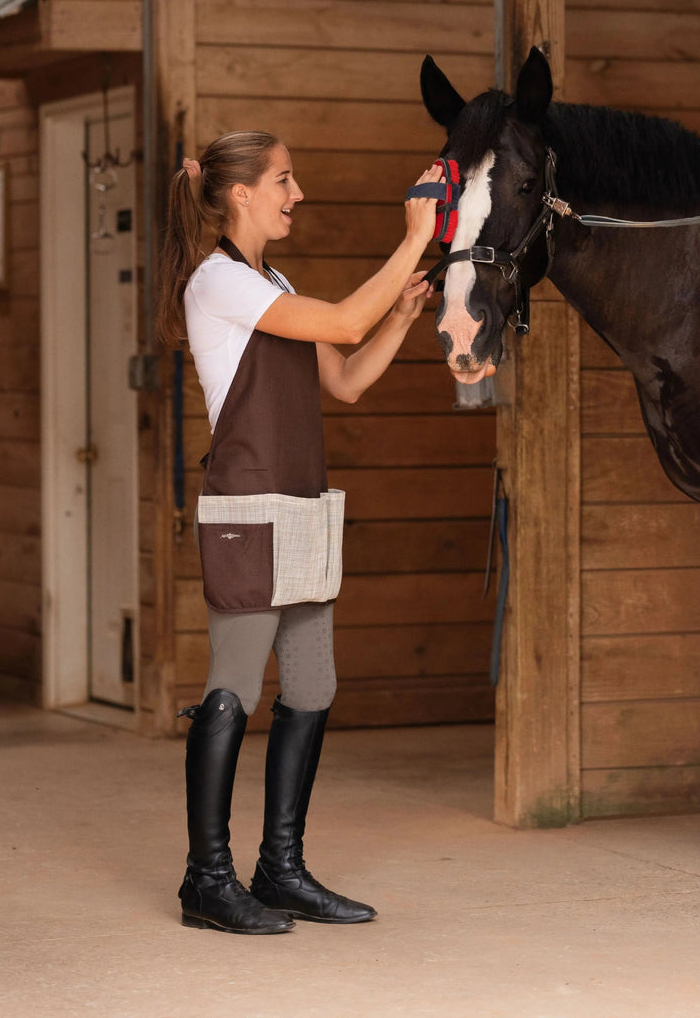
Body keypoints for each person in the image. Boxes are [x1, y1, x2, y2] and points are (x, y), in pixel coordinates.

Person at [157, 131, 442, 935]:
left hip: (302, 510)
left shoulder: (270, 281)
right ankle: (205, 879)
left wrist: (403, 317)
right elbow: (346, 321)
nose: (298, 192)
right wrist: (413, 238)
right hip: (250, 513)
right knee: (233, 692)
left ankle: (279, 869)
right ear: (241, 192)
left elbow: (345, 376)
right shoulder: (217, 283)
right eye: (284, 179)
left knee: (312, 690)